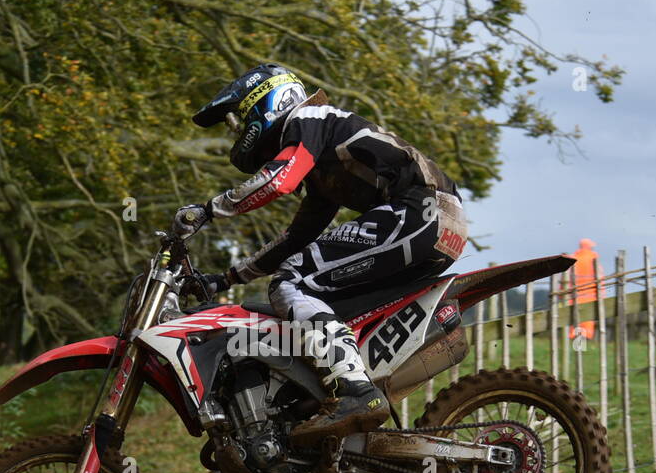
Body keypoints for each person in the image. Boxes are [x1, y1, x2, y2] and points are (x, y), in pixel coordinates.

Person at [174, 63, 467, 443]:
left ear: (267, 101)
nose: (237, 129)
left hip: (421, 213)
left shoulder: (309, 117)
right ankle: (347, 398)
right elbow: (297, 237)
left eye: (239, 118)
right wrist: (228, 278)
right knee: (314, 283)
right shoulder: (324, 160)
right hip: (436, 223)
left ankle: (357, 393)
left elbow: (279, 180)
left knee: (291, 281)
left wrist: (209, 210)